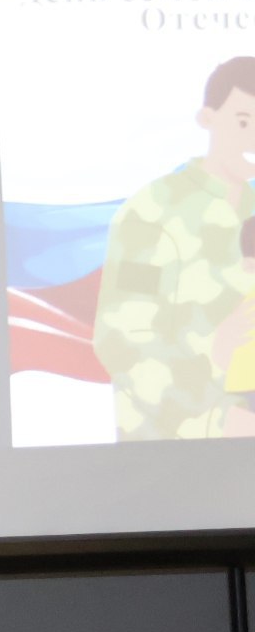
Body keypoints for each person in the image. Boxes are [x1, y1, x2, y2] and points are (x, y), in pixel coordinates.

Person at [95, 56, 255, 441]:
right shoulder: (152, 212)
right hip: (172, 453)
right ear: (207, 118)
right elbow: (123, 342)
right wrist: (216, 417)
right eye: (244, 122)